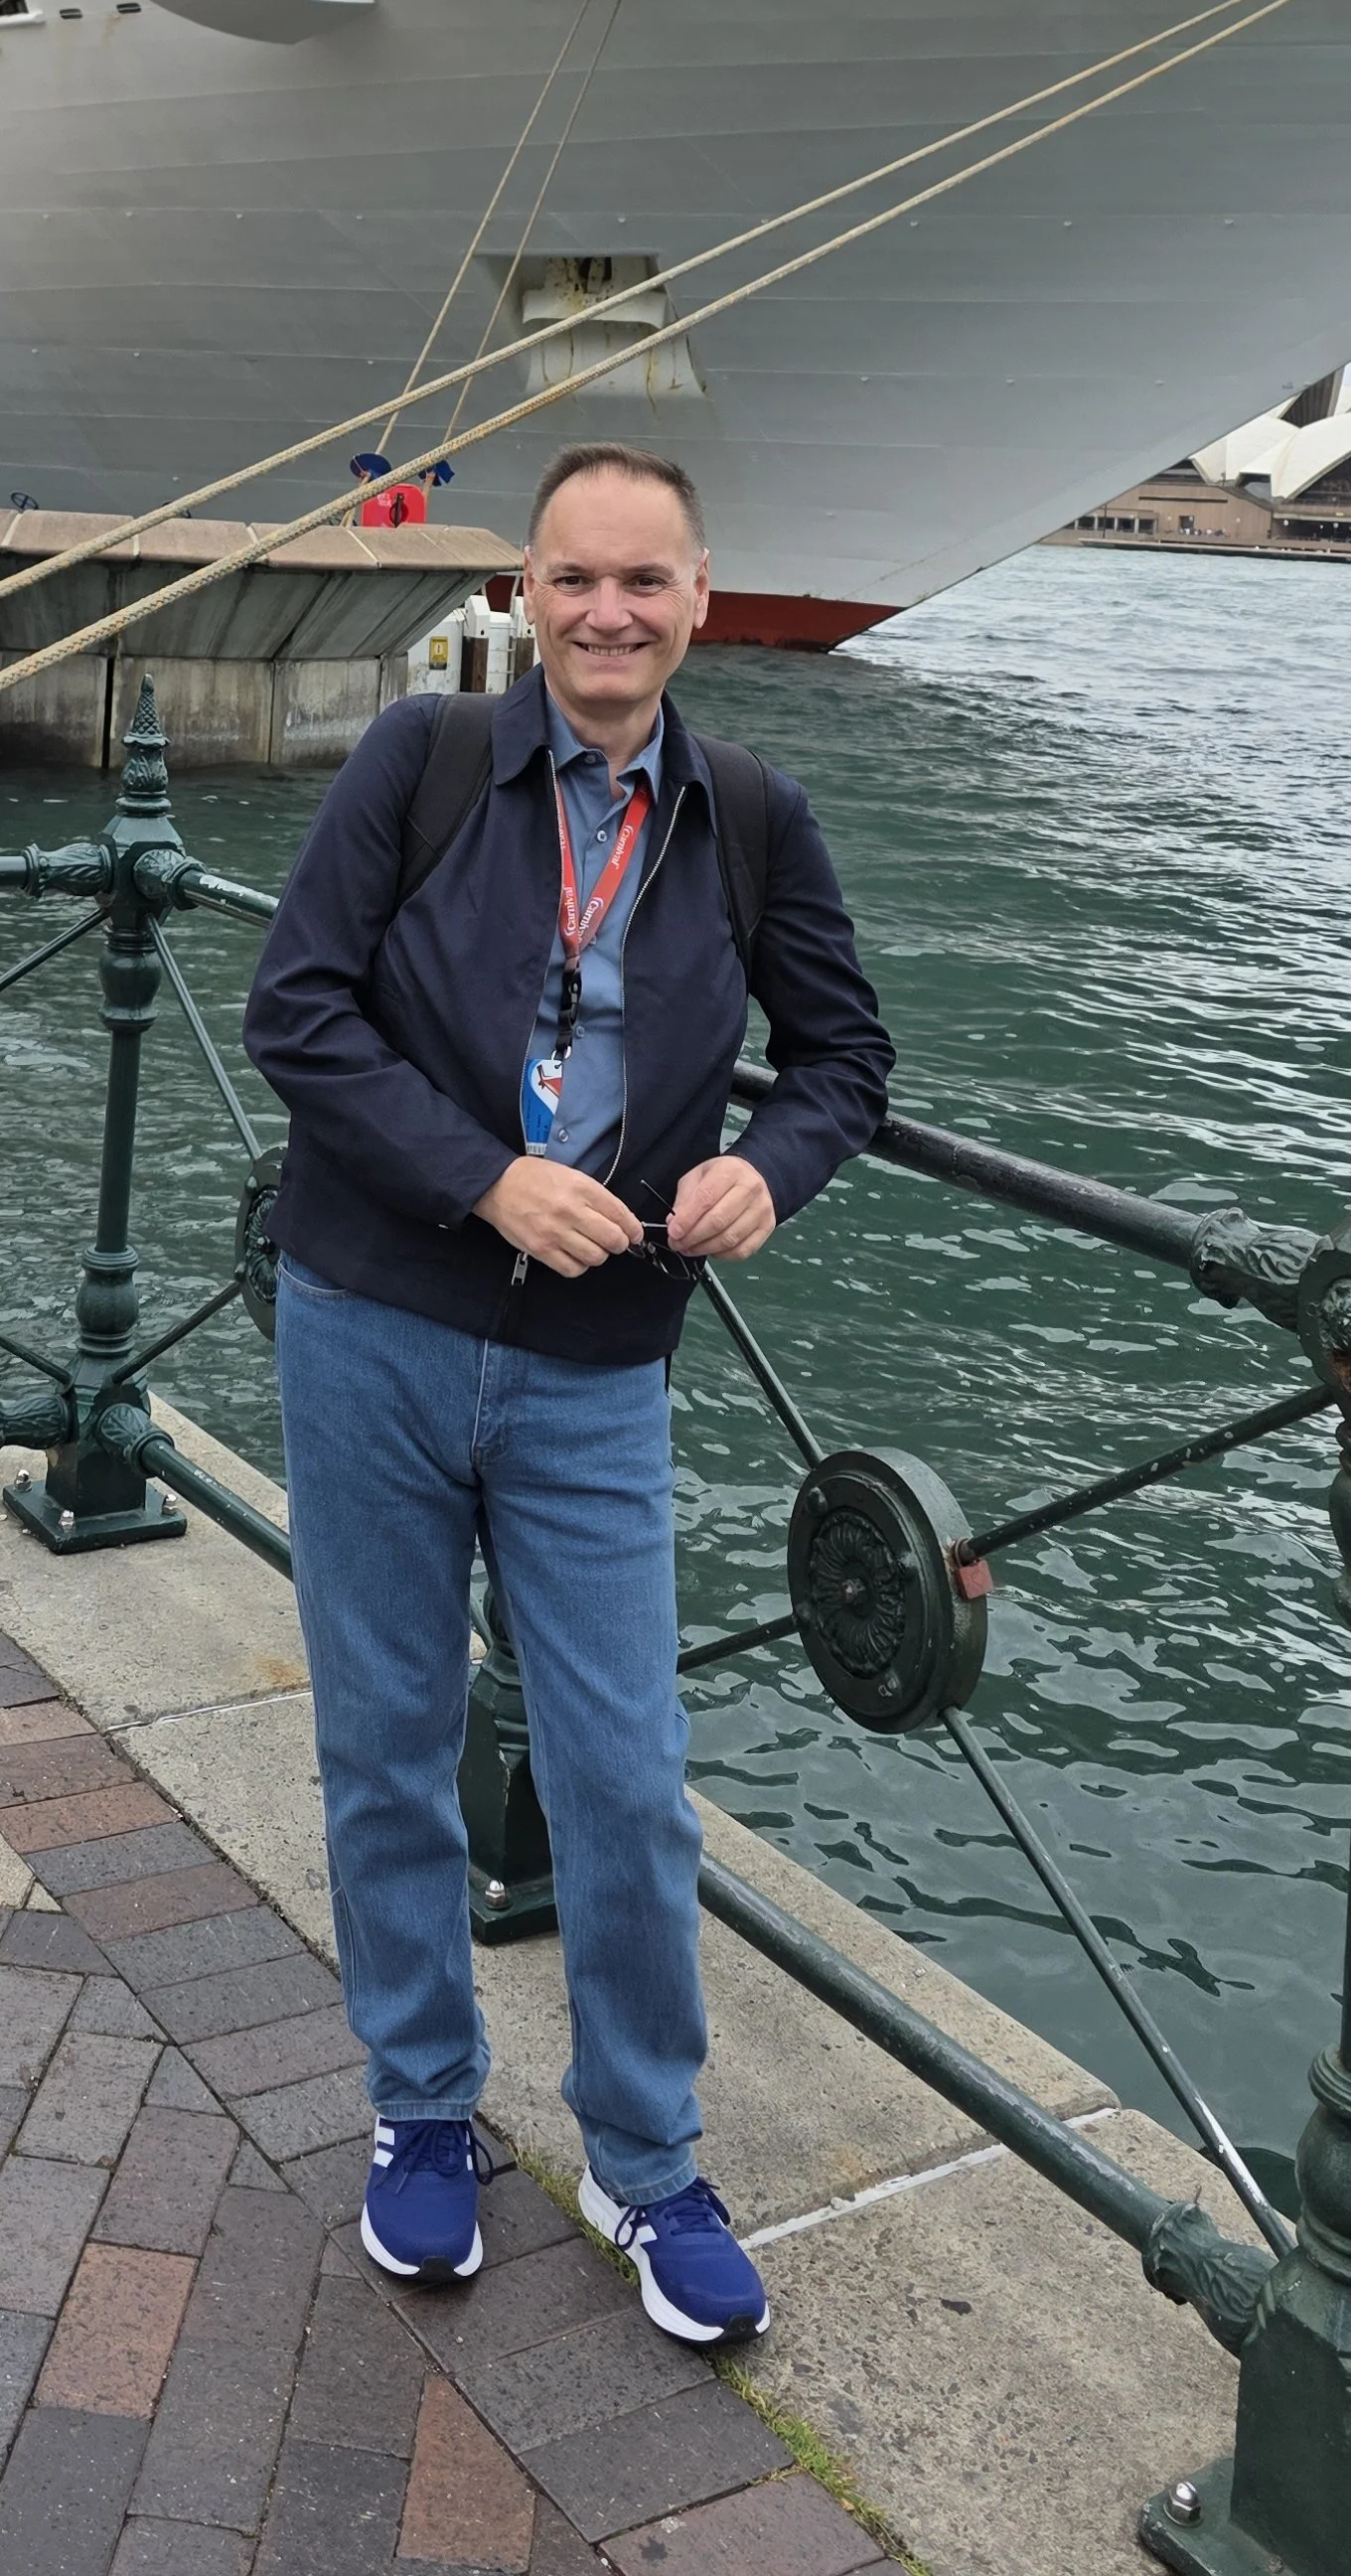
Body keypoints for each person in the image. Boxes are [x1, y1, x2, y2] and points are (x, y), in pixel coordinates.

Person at [242, 440, 893, 2342]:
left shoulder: (751, 814)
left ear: (701, 597)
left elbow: (848, 1056)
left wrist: (773, 1167)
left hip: (603, 1363)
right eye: (574, 578)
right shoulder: (423, 763)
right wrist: (478, 1172)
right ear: (526, 595)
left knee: (627, 1777)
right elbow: (299, 1007)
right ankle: (421, 2112)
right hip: (371, 1319)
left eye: (646, 581)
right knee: (386, 1740)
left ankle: (646, 2154)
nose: (609, 612)